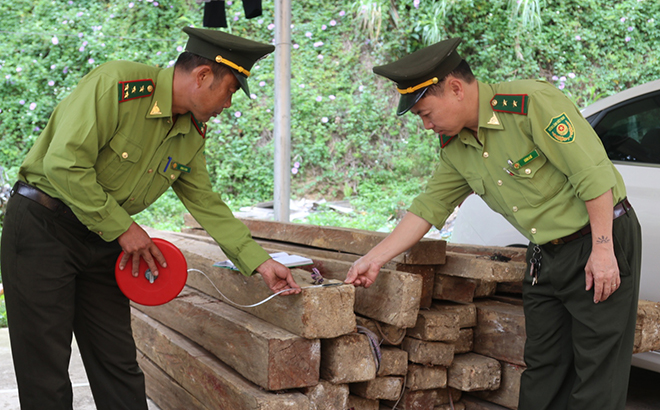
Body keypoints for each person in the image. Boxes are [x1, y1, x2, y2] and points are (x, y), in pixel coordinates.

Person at [1, 27, 301, 410]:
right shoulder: (119, 85)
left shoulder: (190, 132)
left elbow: (205, 201)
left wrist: (259, 262)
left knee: (119, 363)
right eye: (230, 90)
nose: (229, 103)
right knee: (45, 370)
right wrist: (124, 227)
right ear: (203, 76)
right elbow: (65, 164)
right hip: (43, 226)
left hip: (102, 240)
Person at [345, 38, 641, 410]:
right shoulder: (456, 148)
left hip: (597, 238)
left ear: (455, 88)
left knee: (597, 371)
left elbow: (592, 176)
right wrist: (374, 258)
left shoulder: (529, 104)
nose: (425, 125)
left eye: (425, 112)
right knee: (544, 365)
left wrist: (602, 249)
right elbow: (428, 207)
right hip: (544, 255)